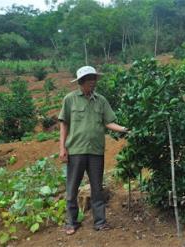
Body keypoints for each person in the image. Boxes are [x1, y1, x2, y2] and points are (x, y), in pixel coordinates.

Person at [58, 66, 130, 235]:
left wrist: (125, 129)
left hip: (96, 151)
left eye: (94, 79)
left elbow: (108, 122)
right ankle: (71, 222)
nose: (93, 82)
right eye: (90, 79)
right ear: (81, 82)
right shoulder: (70, 99)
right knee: (72, 188)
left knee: (97, 188)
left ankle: (100, 222)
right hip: (76, 150)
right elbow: (64, 125)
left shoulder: (101, 101)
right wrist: (62, 148)